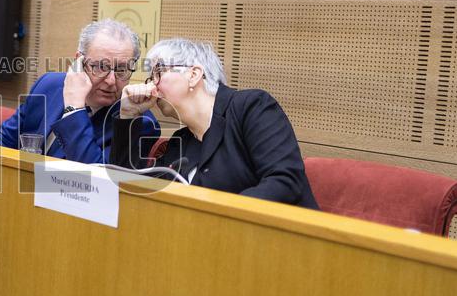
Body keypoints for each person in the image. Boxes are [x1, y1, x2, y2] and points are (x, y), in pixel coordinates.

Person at [111, 38, 318, 208]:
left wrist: (217, 218)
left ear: (193, 75)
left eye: (158, 73)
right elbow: (133, 192)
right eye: (151, 78)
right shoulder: (180, 143)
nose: (153, 86)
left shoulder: (251, 107)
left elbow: (285, 180)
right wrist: (128, 116)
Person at [0, 19, 159, 163]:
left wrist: (74, 108)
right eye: (100, 66)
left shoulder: (138, 121)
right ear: (78, 62)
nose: (111, 80)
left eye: (121, 70)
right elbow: (1, 140)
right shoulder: (49, 86)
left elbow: (94, 182)